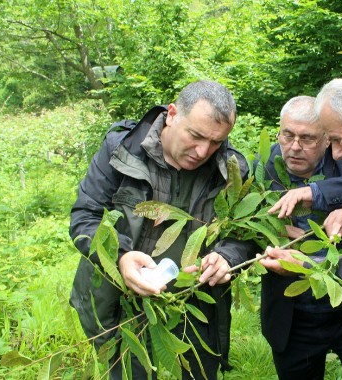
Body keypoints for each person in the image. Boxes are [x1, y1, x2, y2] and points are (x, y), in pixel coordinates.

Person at [69, 80, 254, 379]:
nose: (203, 150)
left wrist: (227, 257)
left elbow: (243, 234)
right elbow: (84, 216)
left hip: (193, 309)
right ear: (171, 114)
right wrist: (120, 257)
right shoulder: (121, 149)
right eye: (196, 136)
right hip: (122, 305)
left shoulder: (231, 170)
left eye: (217, 142)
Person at [259, 93, 342, 380]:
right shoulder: (264, 169)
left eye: (307, 139)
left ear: (327, 139)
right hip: (293, 313)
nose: (294, 147)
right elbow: (249, 229)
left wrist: (321, 203)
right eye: (287, 135)